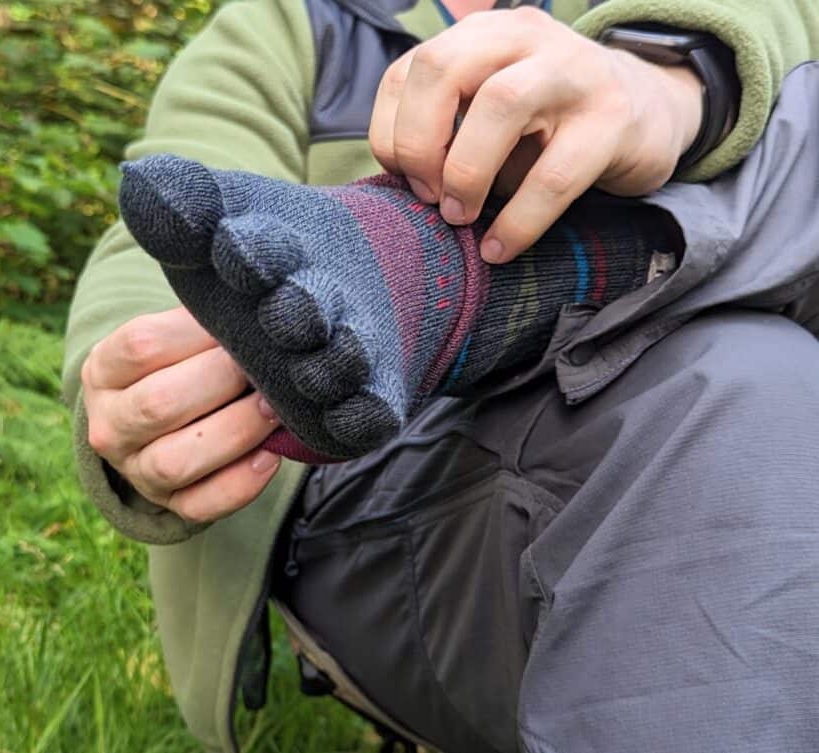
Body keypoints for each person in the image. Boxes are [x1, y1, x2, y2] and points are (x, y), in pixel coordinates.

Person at [62, 0, 819, 750]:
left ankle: (448, 276)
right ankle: (482, 281)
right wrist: (134, 387)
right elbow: (153, 256)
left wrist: (661, 76)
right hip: (399, 466)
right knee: (752, 394)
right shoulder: (292, 25)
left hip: (666, 376)